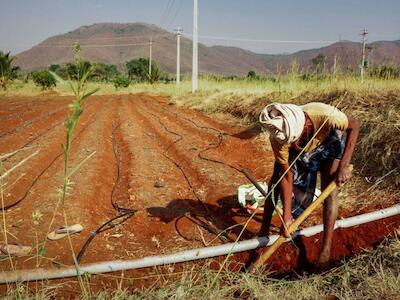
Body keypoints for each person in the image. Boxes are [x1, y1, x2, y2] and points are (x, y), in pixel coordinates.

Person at [258, 102, 359, 266]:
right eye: (293, 142)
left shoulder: (328, 116)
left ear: (307, 125)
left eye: (297, 140)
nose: (296, 143)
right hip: (301, 151)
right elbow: (286, 177)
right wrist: (287, 219)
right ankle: (263, 231)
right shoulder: (279, 138)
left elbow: (354, 125)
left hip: (329, 140)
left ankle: (325, 251)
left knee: (330, 192)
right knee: (275, 180)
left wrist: (344, 165)